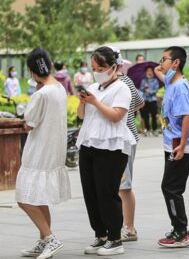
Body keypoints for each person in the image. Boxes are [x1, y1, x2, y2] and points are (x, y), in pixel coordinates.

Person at [77, 46, 136, 256]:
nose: (97, 71)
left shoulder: (122, 88)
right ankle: (100, 235)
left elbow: (116, 116)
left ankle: (115, 239)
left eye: (101, 67)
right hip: (88, 143)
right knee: (90, 192)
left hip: (112, 147)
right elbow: (82, 116)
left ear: (113, 66)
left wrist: (95, 101)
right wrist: (83, 102)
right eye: (94, 67)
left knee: (107, 192)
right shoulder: (93, 86)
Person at [16, 48, 70, 259]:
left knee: (24, 197)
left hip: (38, 151)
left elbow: (29, 124)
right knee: (41, 197)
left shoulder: (41, 94)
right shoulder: (58, 88)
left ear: (32, 70)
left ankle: (50, 238)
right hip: (54, 150)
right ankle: (43, 240)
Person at [153, 46, 189, 248]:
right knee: (170, 187)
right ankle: (178, 229)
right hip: (171, 143)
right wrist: (161, 68)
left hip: (181, 145)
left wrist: (181, 146)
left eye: (164, 59)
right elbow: (158, 71)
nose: (160, 63)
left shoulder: (180, 87)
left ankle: (181, 232)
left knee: (171, 188)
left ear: (176, 63)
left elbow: (187, 116)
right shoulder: (169, 81)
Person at [116, 51, 145, 244]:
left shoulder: (123, 82)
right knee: (118, 186)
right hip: (117, 139)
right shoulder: (121, 82)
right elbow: (139, 103)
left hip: (125, 140)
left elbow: (138, 104)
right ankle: (122, 226)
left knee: (124, 186)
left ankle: (130, 228)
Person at [138, 67, 160, 137]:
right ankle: (147, 129)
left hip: (153, 100)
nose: (149, 72)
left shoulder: (155, 81)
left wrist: (149, 91)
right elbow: (141, 89)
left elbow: (156, 90)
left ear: (153, 72)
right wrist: (144, 88)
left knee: (154, 115)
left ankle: (154, 129)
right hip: (145, 100)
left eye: (151, 71)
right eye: (148, 71)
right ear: (146, 72)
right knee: (145, 116)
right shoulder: (144, 81)